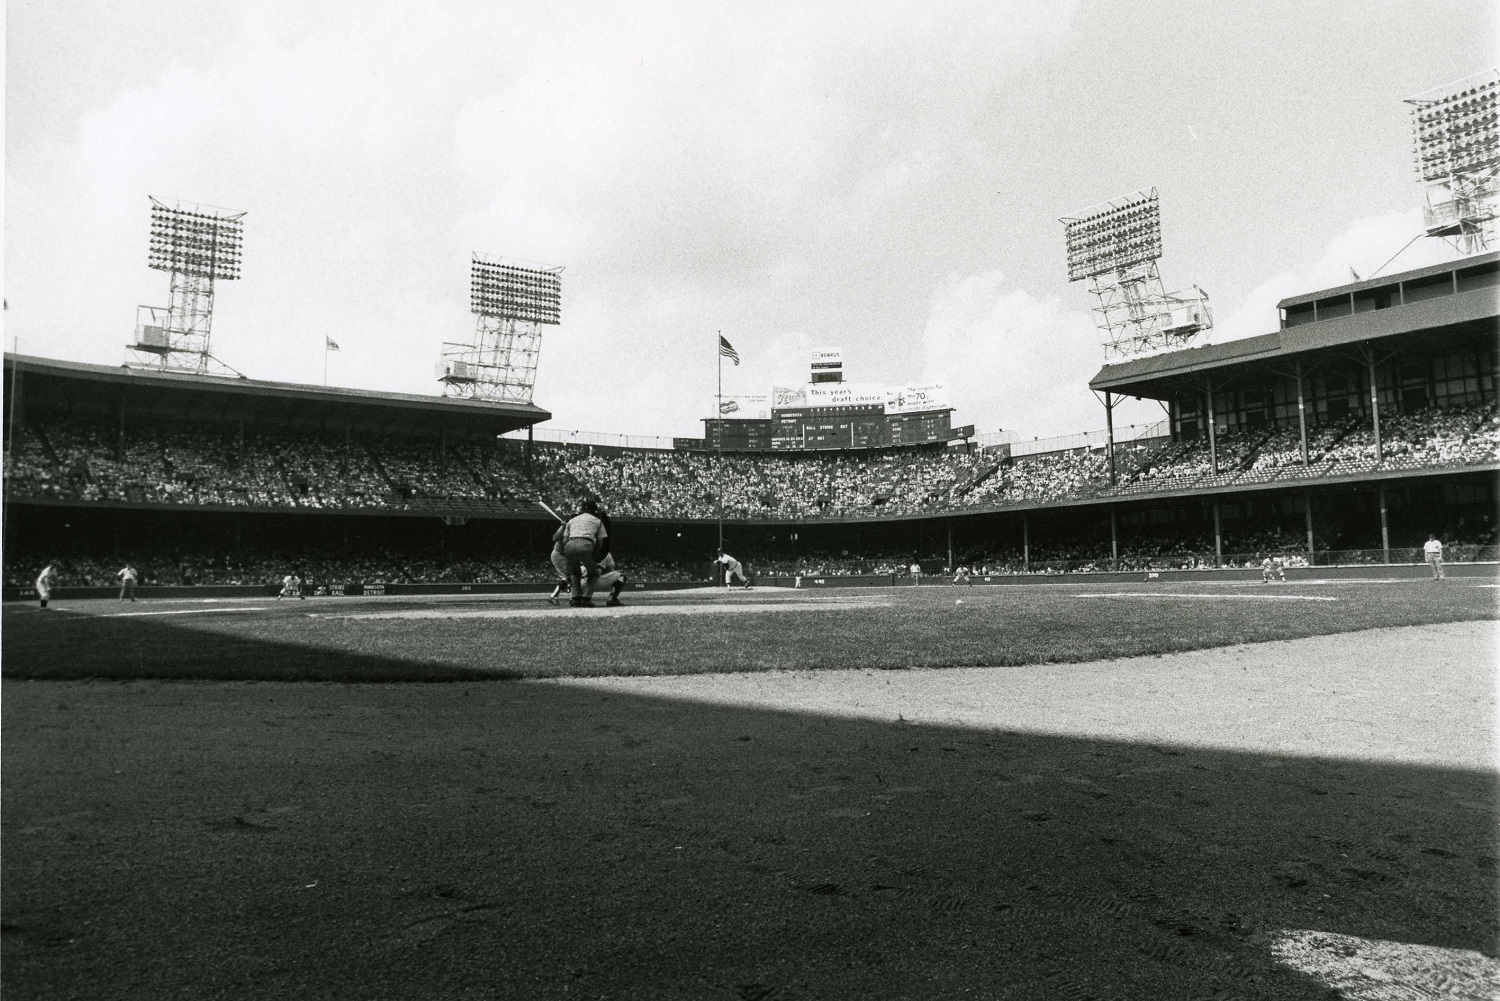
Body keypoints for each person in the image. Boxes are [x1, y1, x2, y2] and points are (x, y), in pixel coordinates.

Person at [563, 500, 607, 606]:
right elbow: (600, 543)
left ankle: (575, 599)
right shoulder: (598, 521)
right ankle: (586, 599)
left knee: (575, 573)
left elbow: (564, 541)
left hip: (569, 545)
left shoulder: (572, 520)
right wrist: (595, 554)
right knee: (594, 573)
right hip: (586, 545)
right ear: (594, 510)